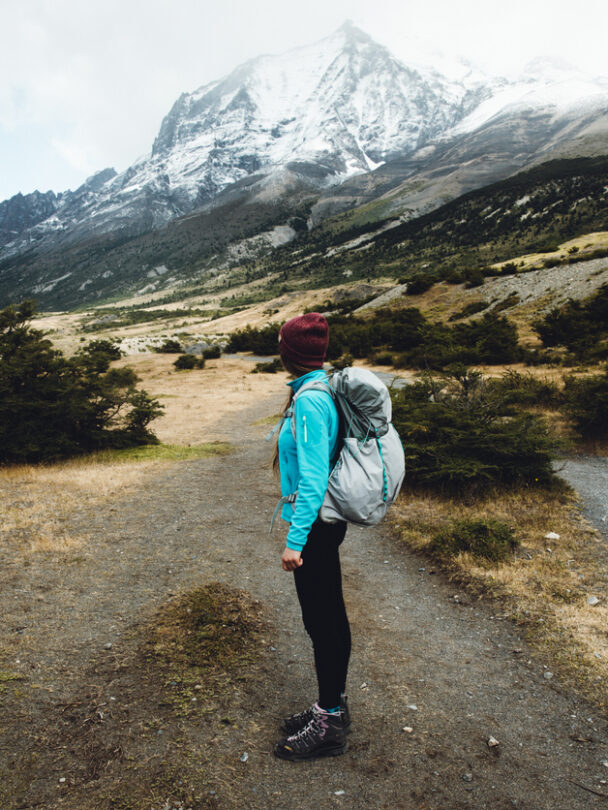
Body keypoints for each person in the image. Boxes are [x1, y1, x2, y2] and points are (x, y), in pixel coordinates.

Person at [271, 312, 351, 761]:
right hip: (325, 524)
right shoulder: (319, 390)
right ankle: (333, 707)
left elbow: (315, 477)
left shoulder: (309, 401)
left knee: (322, 623)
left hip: (316, 527)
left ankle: (327, 725)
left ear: (289, 353)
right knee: (330, 618)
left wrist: (295, 541)